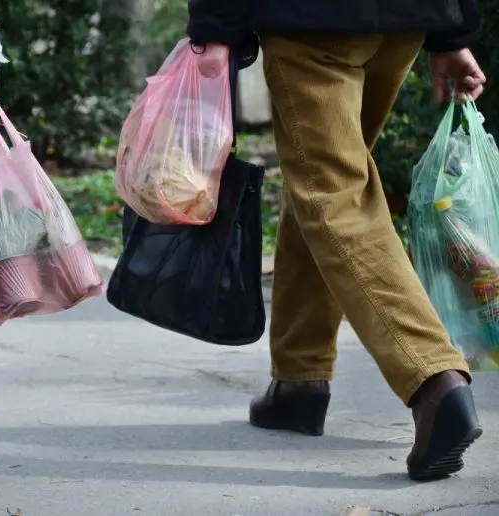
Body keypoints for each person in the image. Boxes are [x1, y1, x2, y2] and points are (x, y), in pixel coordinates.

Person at [187, 0, 486, 481]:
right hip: (402, 22)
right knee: (320, 180)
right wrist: (454, 31)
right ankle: (298, 380)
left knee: (333, 197)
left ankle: (434, 379)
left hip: (313, 23)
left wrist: (213, 26)